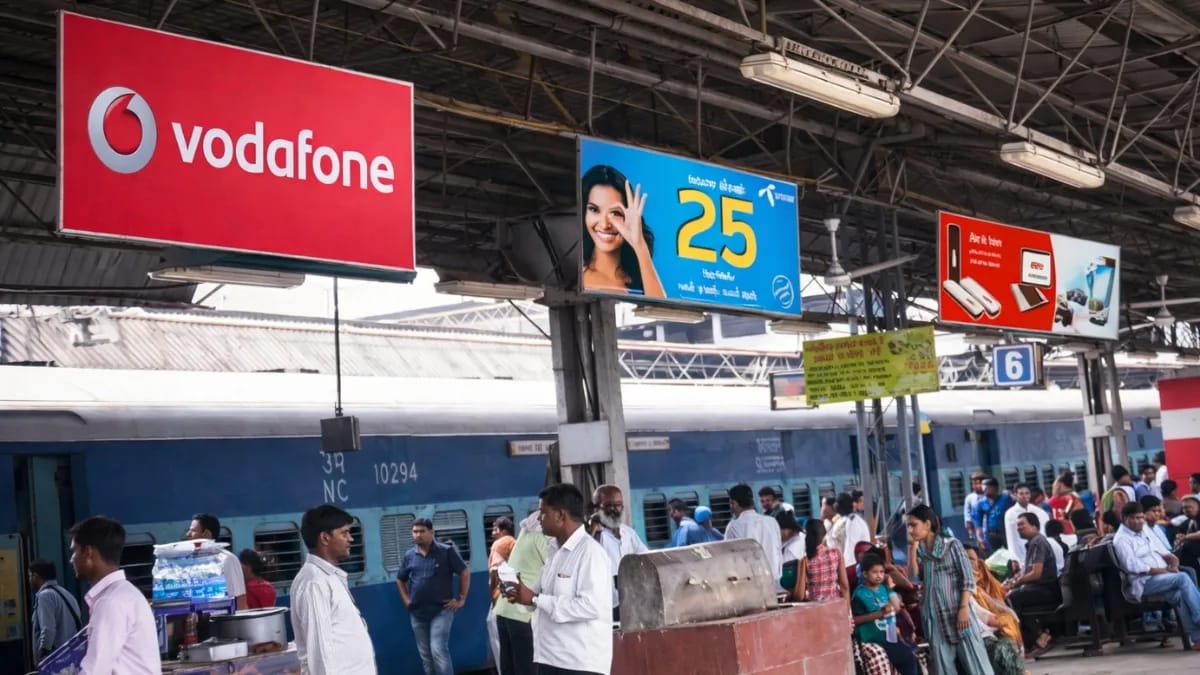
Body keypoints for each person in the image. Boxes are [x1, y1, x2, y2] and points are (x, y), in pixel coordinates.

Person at [504, 483, 614, 675]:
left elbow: (591, 606)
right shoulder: (554, 551)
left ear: (560, 516)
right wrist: (521, 594)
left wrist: (535, 599)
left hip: (578, 664)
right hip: (549, 658)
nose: (539, 518)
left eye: (543, 513)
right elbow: (538, 595)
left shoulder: (590, 553)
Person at [906, 504, 994, 674]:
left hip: (957, 612)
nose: (910, 530)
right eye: (908, 526)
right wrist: (911, 549)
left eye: (913, 525)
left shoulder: (952, 545)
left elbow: (967, 579)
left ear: (927, 524)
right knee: (943, 667)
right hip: (934, 617)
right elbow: (912, 577)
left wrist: (963, 609)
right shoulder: (920, 551)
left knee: (975, 661)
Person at [290, 504, 376, 675]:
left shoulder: (328, 577)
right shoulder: (314, 583)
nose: (351, 539)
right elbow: (319, 653)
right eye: (344, 533)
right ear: (325, 538)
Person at [68, 516, 159, 674]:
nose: (71, 560)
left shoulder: (110, 602)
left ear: (88, 553)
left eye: (74, 551)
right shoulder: (126, 593)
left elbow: (95, 670)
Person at [1112, 502, 1200, 651]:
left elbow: (1158, 550)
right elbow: (1132, 567)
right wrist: (1163, 571)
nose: (1140, 521)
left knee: (1179, 595)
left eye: (1141, 517)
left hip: (1161, 576)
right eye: (1135, 518)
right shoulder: (1121, 539)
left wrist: (1171, 559)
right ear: (1125, 518)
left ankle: (1197, 640)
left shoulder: (1143, 532)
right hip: (1143, 582)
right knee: (1182, 577)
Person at [397, 518, 469, 675]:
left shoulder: (446, 551)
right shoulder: (410, 555)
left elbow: (464, 572)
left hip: (442, 610)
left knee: (438, 649)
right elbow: (400, 579)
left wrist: (461, 599)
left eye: (422, 531)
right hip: (417, 612)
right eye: (415, 532)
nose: (418, 535)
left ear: (432, 532)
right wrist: (406, 600)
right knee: (426, 656)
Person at [580, 164, 664, 298]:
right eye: (594, 210)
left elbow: (660, 306)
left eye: (615, 213)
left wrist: (639, 245)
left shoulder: (638, 276)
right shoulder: (578, 278)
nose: (604, 224)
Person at [495, 507, 550, 675]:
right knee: (527, 669)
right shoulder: (543, 537)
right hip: (523, 613)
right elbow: (556, 570)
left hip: (505, 609)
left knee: (509, 668)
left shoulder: (526, 532)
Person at [963, 544, 1026, 675]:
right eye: (964, 559)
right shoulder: (961, 587)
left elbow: (992, 609)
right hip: (976, 636)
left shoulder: (983, 582)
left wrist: (1006, 617)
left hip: (988, 630)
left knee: (1009, 623)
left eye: (971, 559)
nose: (968, 563)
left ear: (979, 562)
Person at [851, 554, 919, 675]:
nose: (879, 575)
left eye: (881, 572)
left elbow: (896, 607)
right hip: (874, 636)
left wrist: (894, 596)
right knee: (907, 659)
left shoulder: (884, 588)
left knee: (911, 659)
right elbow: (855, 620)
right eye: (875, 572)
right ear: (865, 574)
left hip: (891, 634)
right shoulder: (859, 594)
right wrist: (880, 613)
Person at [1004, 513, 1059, 657]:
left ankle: (1037, 637)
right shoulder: (1033, 543)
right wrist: (1014, 581)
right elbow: (1027, 572)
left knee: (1011, 598)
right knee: (1014, 597)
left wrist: (1016, 584)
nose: (1019, 528)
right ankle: (1035, 638)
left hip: (1045, 589)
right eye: (1017, 525)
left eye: (1022, 524)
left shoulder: (1038, 542)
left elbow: (1036, 574)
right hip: (1038, 588)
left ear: (1034, 526)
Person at [592, 484, 647, 618]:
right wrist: (592, 530)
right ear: (596, 508)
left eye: (618, 505)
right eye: (608, 505)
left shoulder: (628, 533)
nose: (614, 509)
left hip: (631, 596)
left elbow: (646, 556)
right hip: (605, 603)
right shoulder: (593, 536)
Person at [725, 483, 783, 588]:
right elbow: (779, 553)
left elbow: (730, 560)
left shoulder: (734, 526)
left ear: (734, 503)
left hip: (751, 586)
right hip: (774, 582)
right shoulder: (772, 522)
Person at [186, 513, 247, 609]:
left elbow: (240, 599)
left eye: (193, 531)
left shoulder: (227, 560)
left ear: (207, 534)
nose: (188, 534)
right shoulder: (191, 561)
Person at [28, 559, 81, 663]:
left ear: (35, 576)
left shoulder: (45, 596)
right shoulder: (66, 594)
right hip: (70, 656)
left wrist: (42, 655)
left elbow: (48, 629)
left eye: (29, 576)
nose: (29, 580)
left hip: (55, 660)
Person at [487, 516, 517, 674]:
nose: (492, 532)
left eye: (495, 529)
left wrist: (493, 596)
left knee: (499, 640)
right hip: (513, 598)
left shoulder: (500, 544)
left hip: (501, 598)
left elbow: (494, 571)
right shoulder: (514, 542)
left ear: (503, 530)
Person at [796, 518, 848, 603]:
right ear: (824, 534)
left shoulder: (805, 560)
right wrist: (847, 606)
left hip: (816, 608)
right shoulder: (836, 553)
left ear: (806, 536)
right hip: (835, 605)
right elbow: (844, 585)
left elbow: (799, 596)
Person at [1003, 483, 1048, 569]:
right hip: (1021, 551)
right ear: (1015, 495)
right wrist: (1014, 558)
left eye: (1027, 493)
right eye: (1021, 494)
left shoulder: (1039, 511)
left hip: (1039, 549)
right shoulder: (1010, 513)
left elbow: (1044, 531)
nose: (1024, 496)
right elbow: (1011, 537)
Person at [827, 492, 871, 567]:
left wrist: (844, 568)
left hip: (852, 565)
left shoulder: (852, 522)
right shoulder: (847, 519)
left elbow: (851, 548)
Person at [971, 478, 1013, 554]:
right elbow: (978, 523)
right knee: (994, 555)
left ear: (995, 488)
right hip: (991, 534)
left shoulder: (1006, 499)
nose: (984, 490)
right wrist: (980, 538)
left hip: (1007, 532)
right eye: (983, 488)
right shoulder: (980, 503)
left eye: (987, 488)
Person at [777, 511, 806, 593]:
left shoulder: (790, 549)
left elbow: (786, 573)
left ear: (787, 529)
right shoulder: (802, 536)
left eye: (778, 530)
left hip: (793, 588)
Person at [964, 472, 986, 542]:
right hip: (976, 529)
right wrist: (970, 530)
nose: (975, 486)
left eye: (977, 483)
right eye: (973, 484)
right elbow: (967, 514)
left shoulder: (988, 496)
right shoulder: (969, 498)